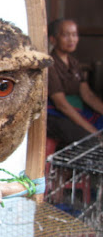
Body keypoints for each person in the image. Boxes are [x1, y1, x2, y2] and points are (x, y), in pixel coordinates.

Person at [47, 19, 103, 149]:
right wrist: (92, 132)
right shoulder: (50, 64)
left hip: (75, 109)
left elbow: (88, 95)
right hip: (55, 115)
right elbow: (61, 105)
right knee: (90, 140)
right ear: (53, 39)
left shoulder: (74, 63)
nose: (71, 39)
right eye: (66, 35)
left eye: (74, 34)